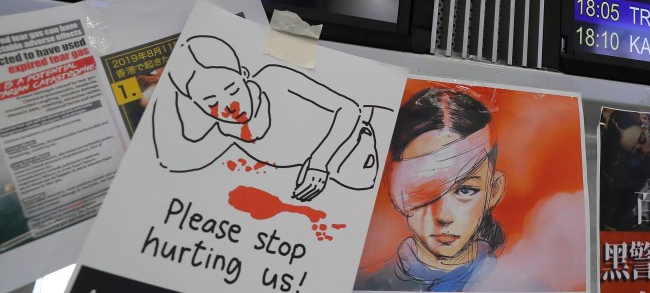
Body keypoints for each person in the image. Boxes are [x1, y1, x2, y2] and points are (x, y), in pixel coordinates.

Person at [151, 35, 381, 202]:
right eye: (211, 102)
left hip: (375, 124)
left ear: (244, 75)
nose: (230, 106)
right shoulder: (228, 133)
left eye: (232, 89)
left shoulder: (275, 78)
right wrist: (167, 88)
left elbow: (349, 108)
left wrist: (319, 164)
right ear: (197, 105)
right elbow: (173, 160)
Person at [356, 87, 506, 292]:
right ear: (394, 190)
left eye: (465, 190)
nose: (444, 216)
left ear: (494, 190)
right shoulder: (362, 285)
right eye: (425, 189)